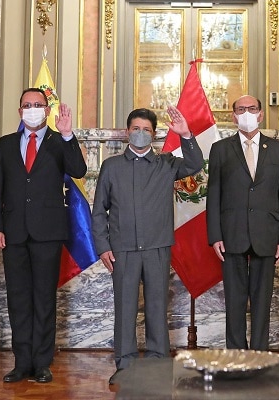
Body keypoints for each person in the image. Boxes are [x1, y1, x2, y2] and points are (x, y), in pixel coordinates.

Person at [92, 107, 203, 385]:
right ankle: (125, 365)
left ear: (154, 135)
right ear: (127, 132)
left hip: (157, 247)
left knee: (156, 307)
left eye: (146, 130)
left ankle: (157, 364)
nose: (140, 134)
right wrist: (103, 246)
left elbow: (195, 164)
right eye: (136, 129)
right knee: (125, 309)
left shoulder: (167, 163)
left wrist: (186, 134)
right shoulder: (112, 166)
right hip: (123, 249)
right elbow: (99, 210)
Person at [0, 88, 87, 383]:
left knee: (44, 299)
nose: (32, 109)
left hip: (48, 232)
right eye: (27, 105)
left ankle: (42, 362)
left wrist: (67, 135)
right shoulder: (6, 144)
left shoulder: (58, 141)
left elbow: (78, 169)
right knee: (18, 299)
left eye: (37, 105)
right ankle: (22, 362)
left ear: (47, 110)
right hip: (13, 233)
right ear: (20, 111)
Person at [206, 95, 279, 351]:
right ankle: (236, 355)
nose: (247, 113)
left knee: (262, 301)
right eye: (241, 109)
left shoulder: (278, 150)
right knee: (234, 300)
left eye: (252, 108)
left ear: (261, 114)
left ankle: (259, 354)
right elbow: (214, 196)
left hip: (267, 234)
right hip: (231, 234)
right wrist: (215, 235)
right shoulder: (221, 149)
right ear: (233, 116)